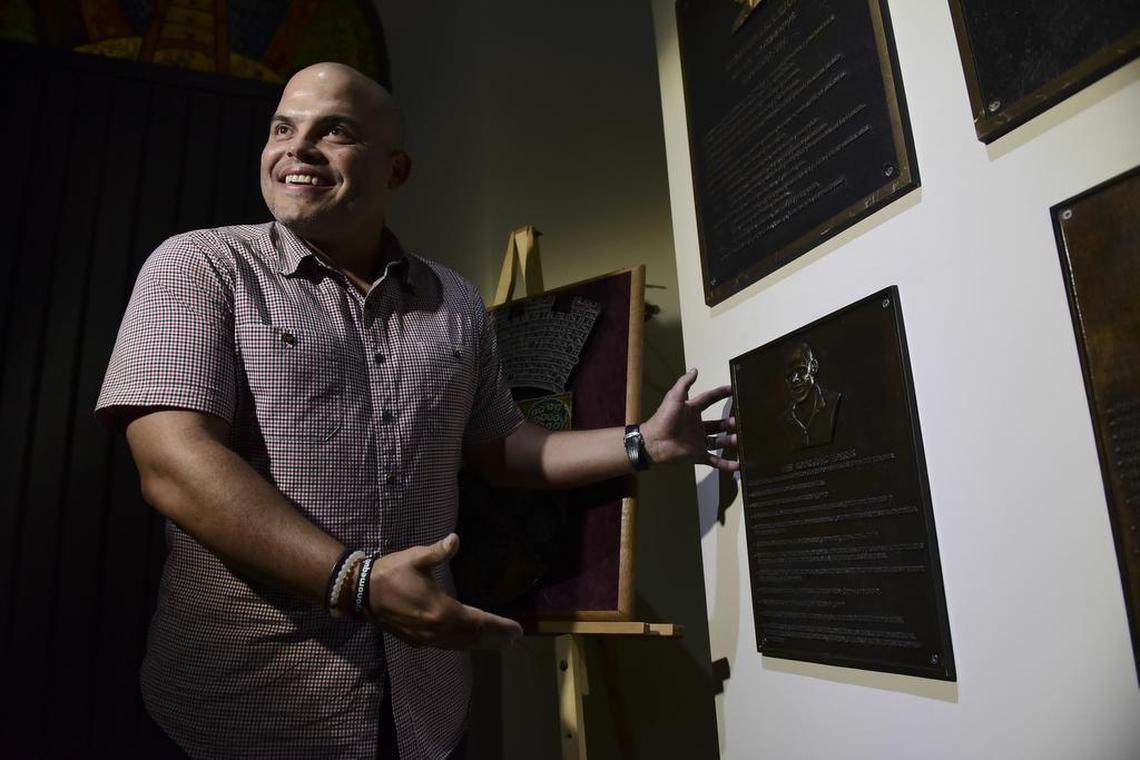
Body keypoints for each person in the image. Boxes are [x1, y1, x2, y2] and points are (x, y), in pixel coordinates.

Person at [96, 62, 738, 759]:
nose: (297, 149)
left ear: (395, 170)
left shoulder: (455, 303)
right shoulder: (199, 267)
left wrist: (645, 441)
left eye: (333, 131)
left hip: (422, 715)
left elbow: (504, 448)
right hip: (246, 711)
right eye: (283, 129)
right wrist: (358, 583)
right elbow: (172, 463)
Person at [777, 341, 841, 449]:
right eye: (789, 375)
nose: (794, 379)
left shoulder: (834, 402)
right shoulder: (783, 421)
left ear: (814, 367)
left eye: (800, 370)